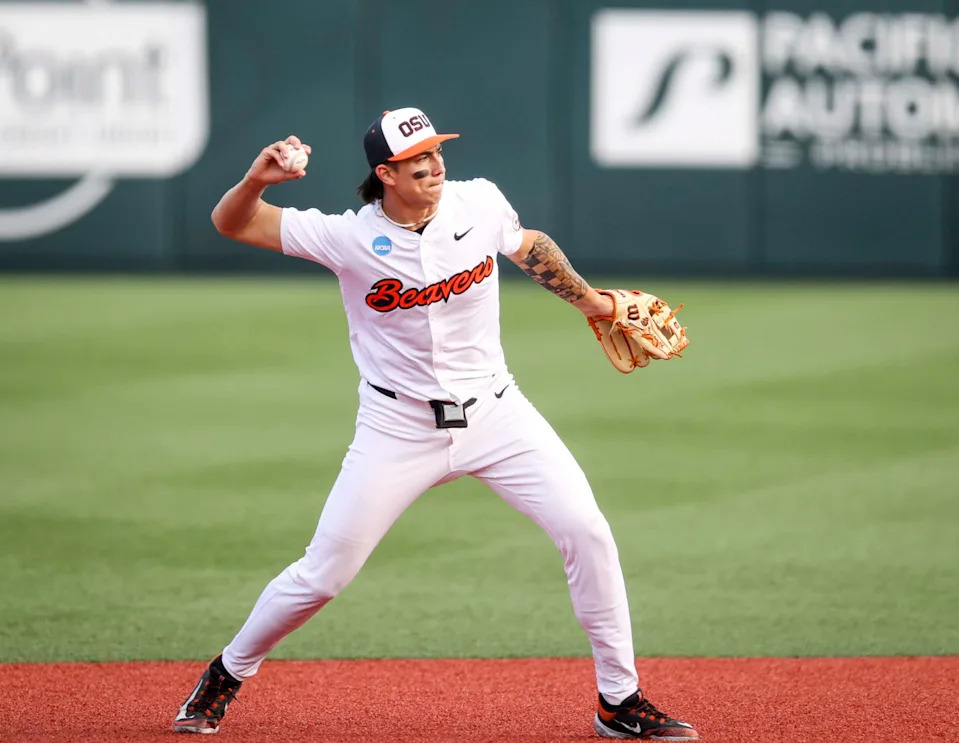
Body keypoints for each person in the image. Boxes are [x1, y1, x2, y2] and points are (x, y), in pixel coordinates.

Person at [172, 107, 698, 741]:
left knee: (588, 531)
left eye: (437, 151)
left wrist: (594, 301)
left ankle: (620, 699)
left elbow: (528, 246)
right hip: (397, 428)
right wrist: (256, 179)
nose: (436, 164)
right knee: (325, 574)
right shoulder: (347, 237)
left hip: (499, 414)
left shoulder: (476, 202)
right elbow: (232, 222)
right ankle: (227, 673)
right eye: (419, 159)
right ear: (386, 173)